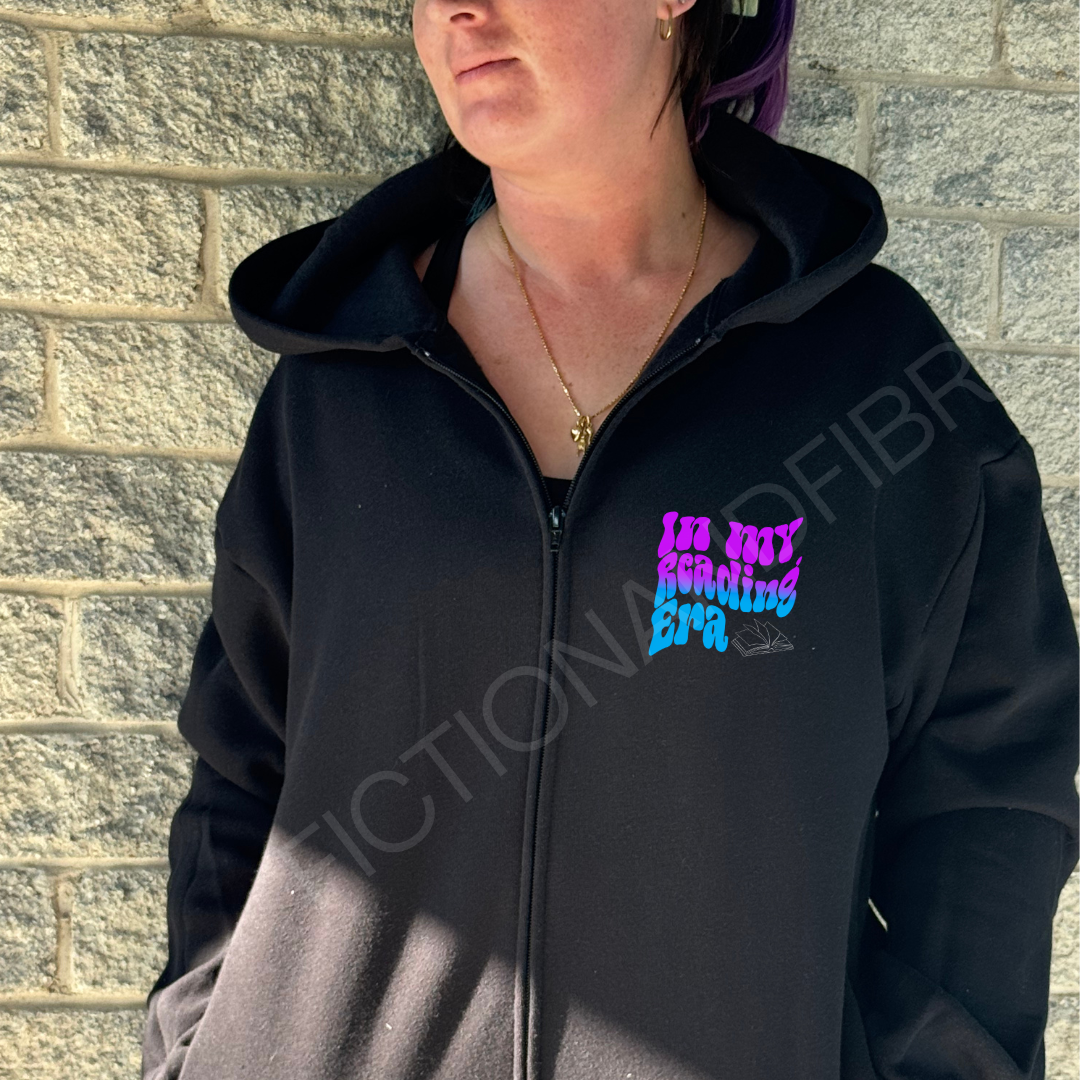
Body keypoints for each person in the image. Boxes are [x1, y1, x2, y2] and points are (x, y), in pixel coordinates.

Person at [141, 0, 1079, 1077]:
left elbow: (990, 794)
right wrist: (193, 1044)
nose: (458, 10)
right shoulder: (341, 379)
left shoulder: (875, 389)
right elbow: (238, 766)